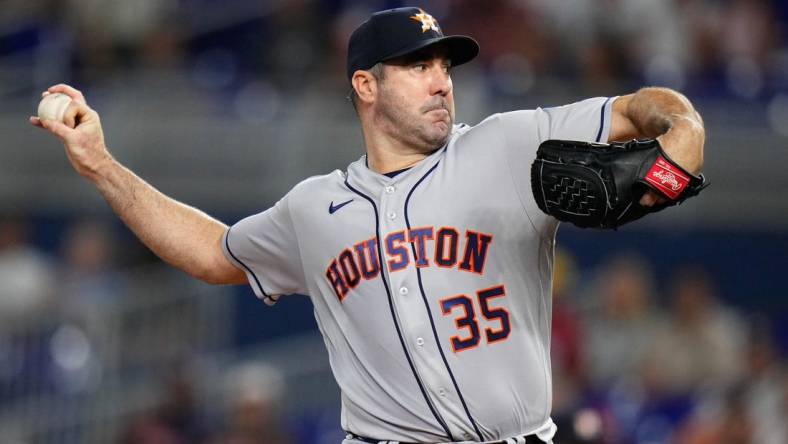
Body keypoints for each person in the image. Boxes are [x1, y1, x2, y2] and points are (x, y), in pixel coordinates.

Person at [30, 7, 705, 444]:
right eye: (418, 66)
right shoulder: (312, 209)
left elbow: (650, 112)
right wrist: (101, 166)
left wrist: (679, 148)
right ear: (365, 86)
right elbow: (213, 252)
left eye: (445, 65)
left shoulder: (505, 144)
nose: (441, 80)